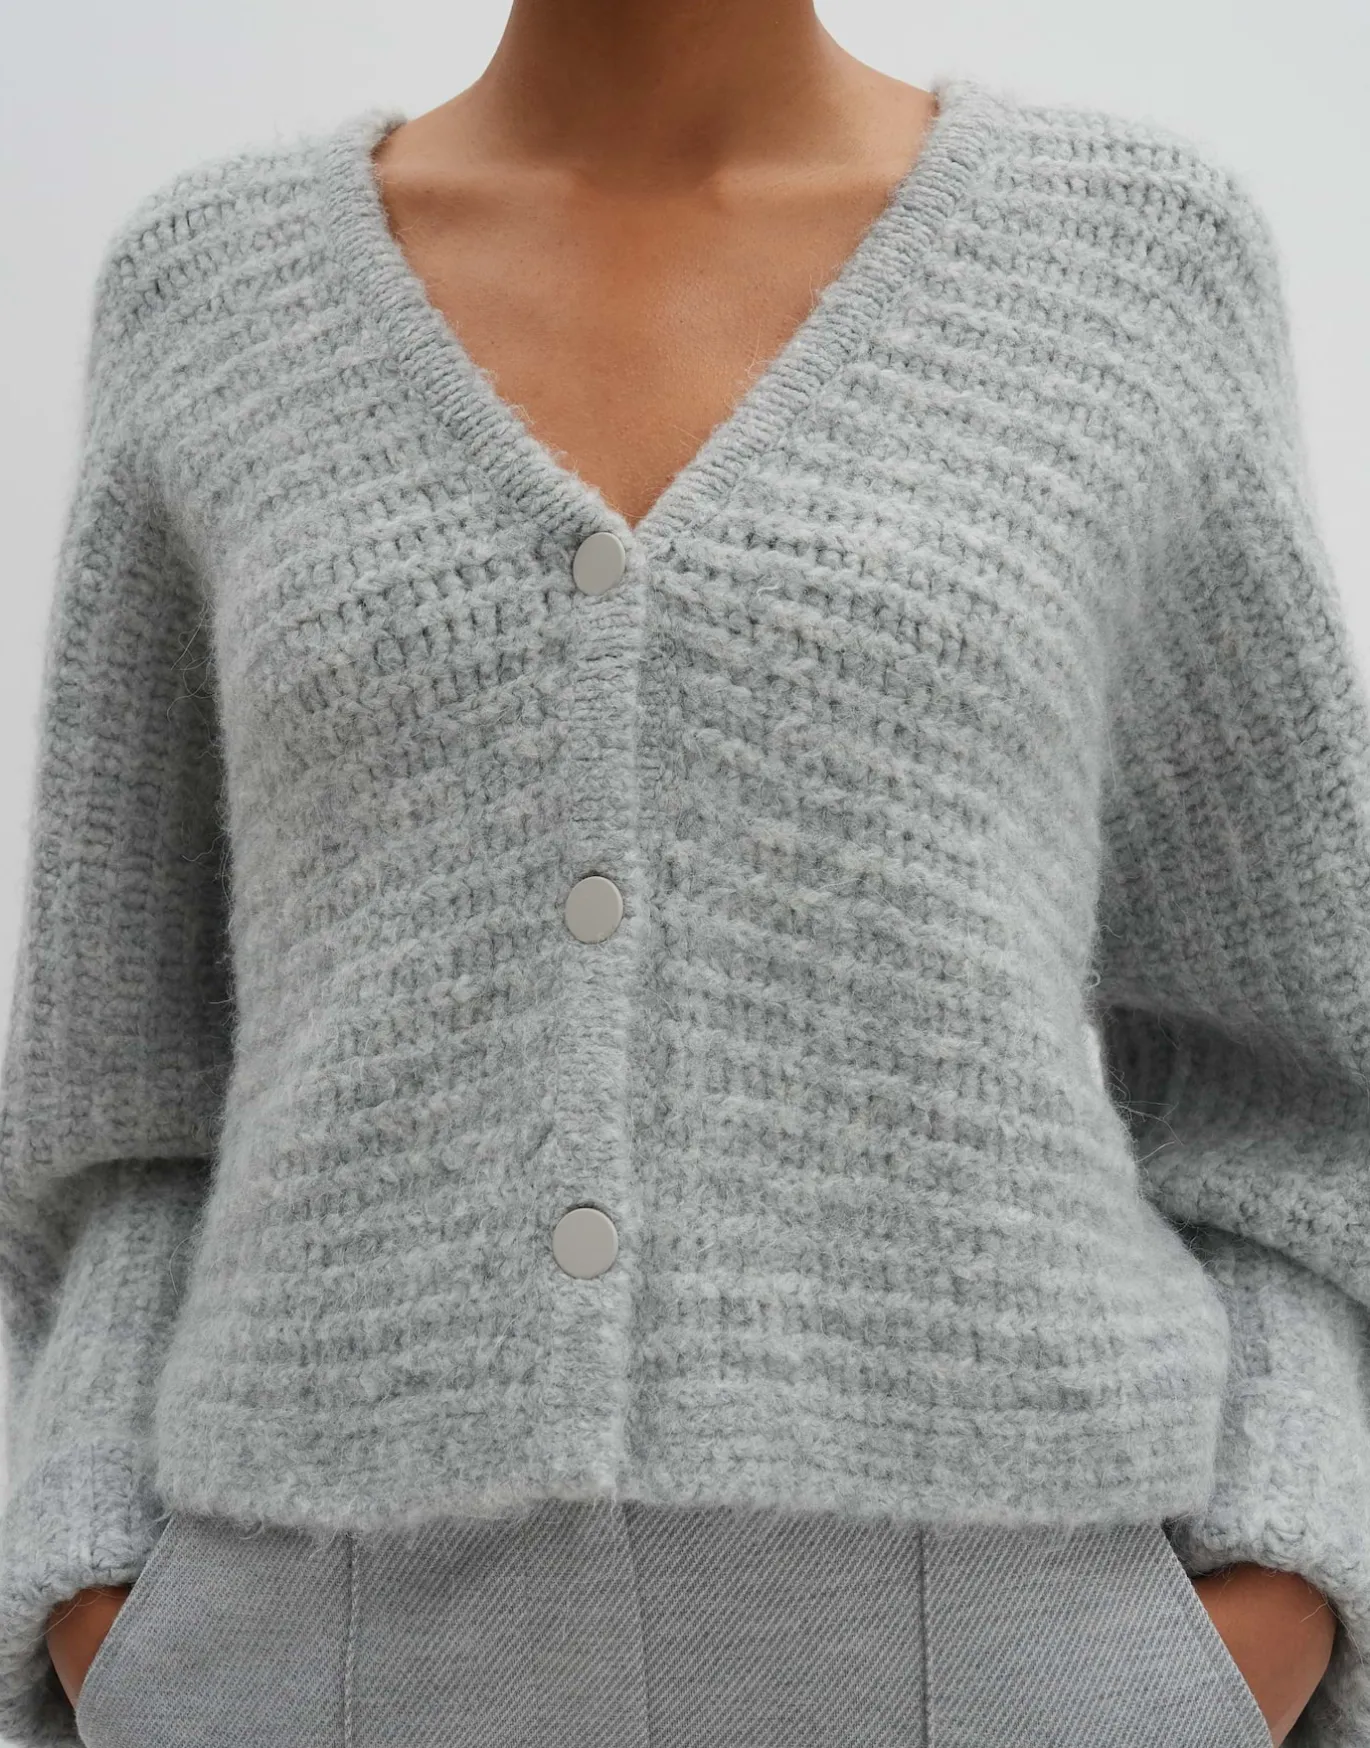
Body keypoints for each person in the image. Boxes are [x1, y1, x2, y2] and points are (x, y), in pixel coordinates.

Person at [0, 2, 1364, 1744]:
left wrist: (1271, 1582)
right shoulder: (211, 291)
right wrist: (101, 1595)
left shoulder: (1129, 269)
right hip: (311, 1635)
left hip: (1013, 1629)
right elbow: (125, 1093)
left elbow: (1295, 1082)